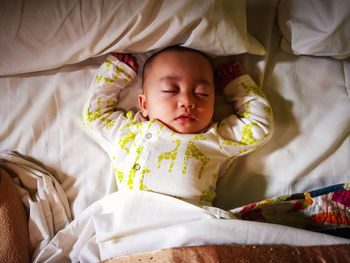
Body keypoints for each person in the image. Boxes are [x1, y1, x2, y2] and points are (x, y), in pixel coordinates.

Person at [82, 46, 273, 206]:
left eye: (202, 93)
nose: (187, 101)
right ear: (145, 105)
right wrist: (114, 74)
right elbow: (95, 115)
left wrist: (236, 85)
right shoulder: (130, 135)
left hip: (191, 228)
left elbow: (259, 125)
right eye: (170, 90)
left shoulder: (216, 140)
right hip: (134, 225)